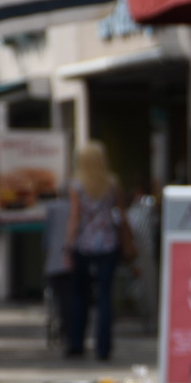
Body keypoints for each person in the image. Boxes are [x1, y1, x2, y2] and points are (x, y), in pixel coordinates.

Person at [61, 141, 125, 360]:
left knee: (79, 295)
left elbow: (74, 218)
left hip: (83, 245)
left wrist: (68, 246)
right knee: (105, 296)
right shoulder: (112, 183)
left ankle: (76, 343)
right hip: (108, 243)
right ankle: (103, 347)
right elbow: (120, 213)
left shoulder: (76, 185)